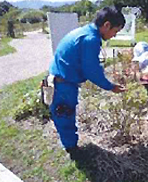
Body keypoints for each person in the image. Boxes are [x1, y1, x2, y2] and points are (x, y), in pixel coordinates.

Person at [48, 6, 126, 154]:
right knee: (65, 117)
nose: (114, 35)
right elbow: (91, 71)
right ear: (107, 25)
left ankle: (69, 144)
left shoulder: (84, 31)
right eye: (115, 31)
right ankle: (72, 149)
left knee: (63, 116)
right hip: (63, 85)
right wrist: (110, 86)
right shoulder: (91, 39)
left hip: (59, 79)